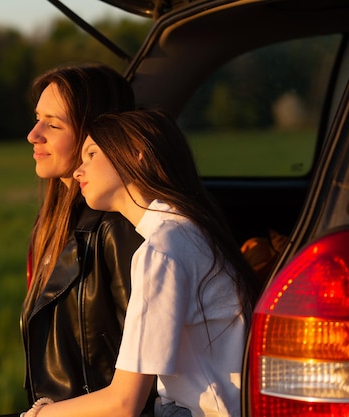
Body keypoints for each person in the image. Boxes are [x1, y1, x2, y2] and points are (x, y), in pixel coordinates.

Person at [21, 108, 261, 417]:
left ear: (137, 155)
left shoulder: (164, 249)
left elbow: (123, 404)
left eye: (92, 154)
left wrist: (35, 415)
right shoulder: (189, 231)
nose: (79, 171)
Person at [20, 64, 156, 416]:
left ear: (95, 134)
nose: (34, 135)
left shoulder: (119, 229)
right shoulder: (49, 225)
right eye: (37, 118)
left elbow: (148, 376)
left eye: (54, 124)